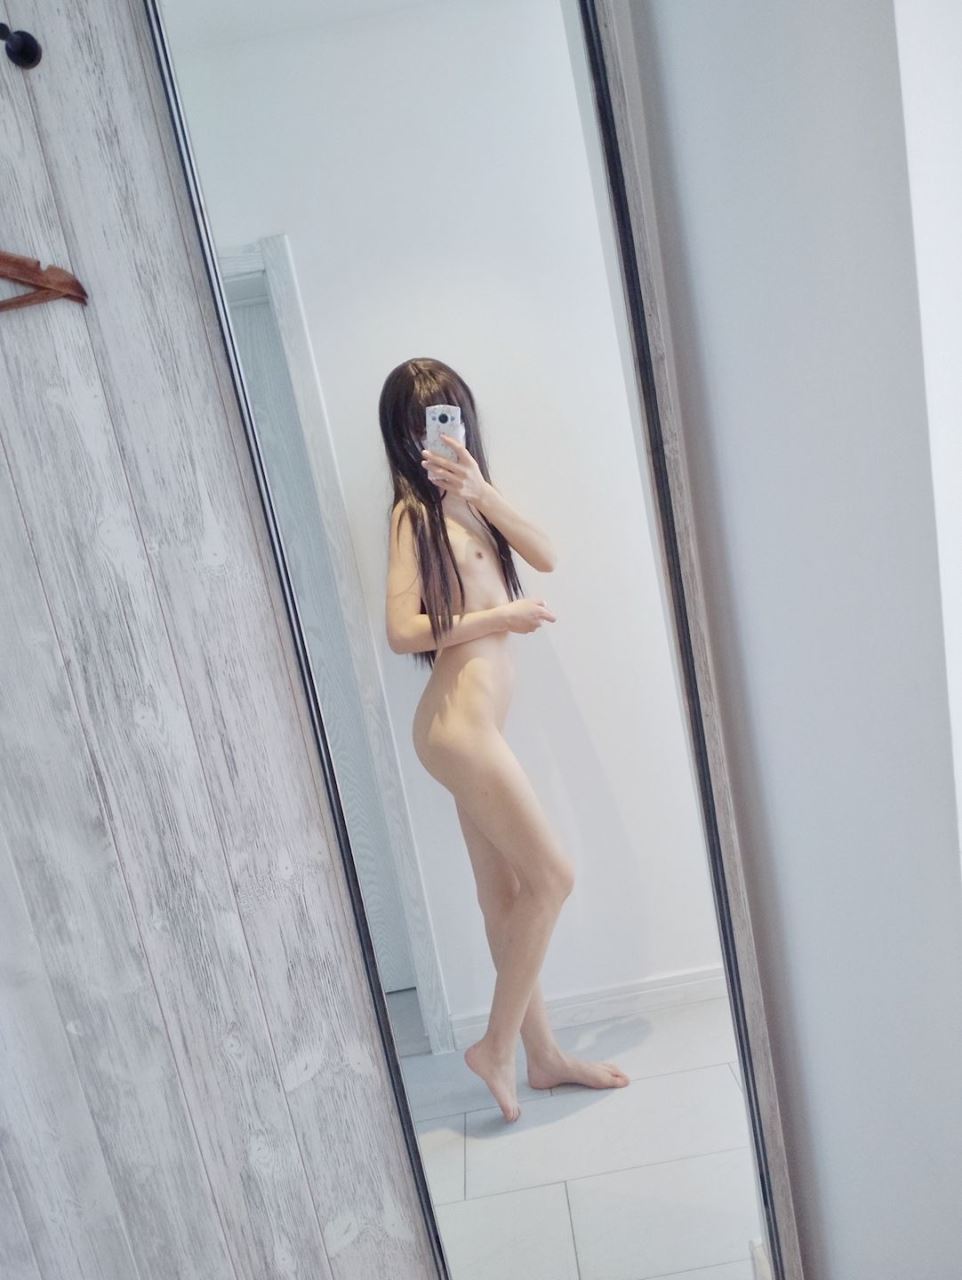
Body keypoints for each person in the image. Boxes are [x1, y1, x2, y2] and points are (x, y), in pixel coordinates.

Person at [382, 357, 629, 1122]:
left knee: (507, 896)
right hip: (455, 729)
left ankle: (542, 1057)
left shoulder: (475, 507)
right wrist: (500, 618)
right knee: (553, 877)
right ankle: (496, 1047)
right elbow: (401, 632)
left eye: (450, 416)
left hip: (473, 728)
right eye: (426, 423)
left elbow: (547, 554)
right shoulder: (412, 517)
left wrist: (482, 490)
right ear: (405, 436)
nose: (439, 434)